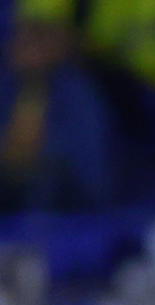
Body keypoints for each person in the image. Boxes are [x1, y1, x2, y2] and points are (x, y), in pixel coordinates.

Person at [0, 17, 115, 213]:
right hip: (10, 177)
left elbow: (87, 153)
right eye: (17, 43)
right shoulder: (7, 86)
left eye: (29, 46)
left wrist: (34, 153)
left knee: (46, 175)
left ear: (51, 51)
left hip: (62, 185)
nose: (18, 51)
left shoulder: (76, 92)